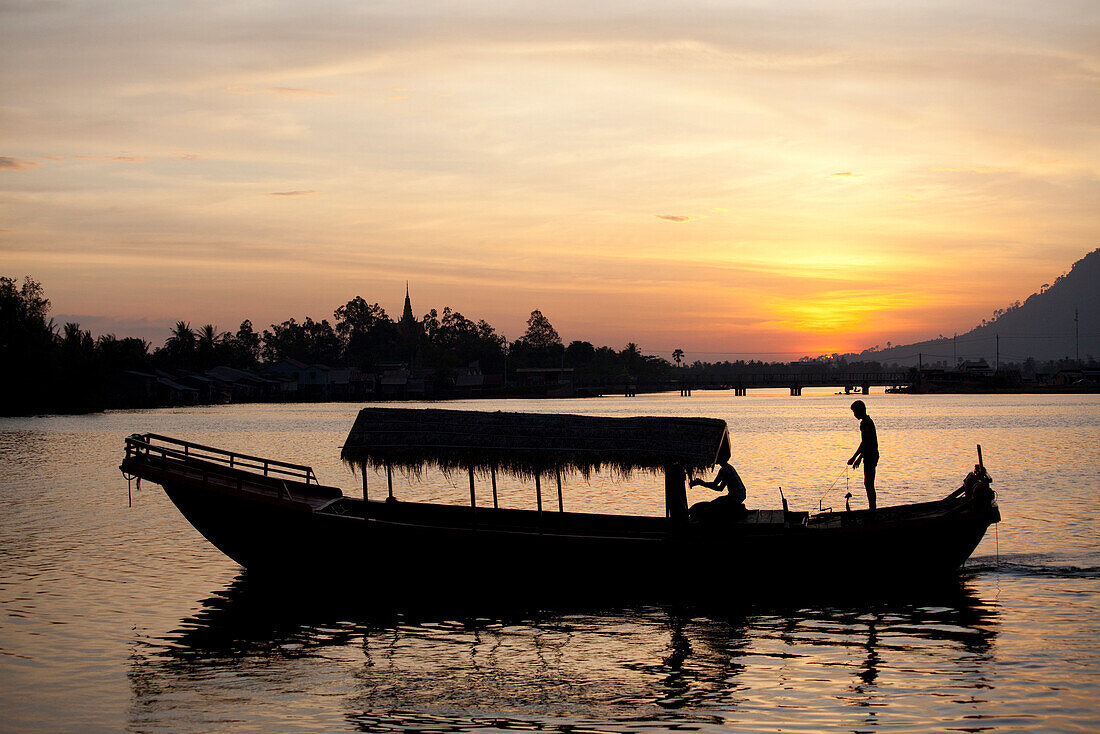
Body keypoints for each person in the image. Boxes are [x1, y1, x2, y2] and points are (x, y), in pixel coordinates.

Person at [847, 400, 879, 511]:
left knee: (869, 483)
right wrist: (854, 457)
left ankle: (872, 508)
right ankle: (872, 508)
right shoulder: (865, 422)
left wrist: (858, 459)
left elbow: (867, 443)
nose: (854, 415)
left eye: (855, 412)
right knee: (868, 483)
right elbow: (863, 443)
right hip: (869, 454)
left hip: (871, 455)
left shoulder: (867, 423)